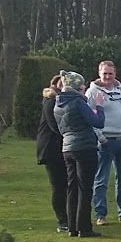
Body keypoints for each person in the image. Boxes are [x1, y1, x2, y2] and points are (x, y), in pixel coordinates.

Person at [53, 71, 105, 237]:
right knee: (85, 188)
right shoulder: (78, 102)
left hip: (67, 148)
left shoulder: (57, 104)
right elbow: (98, 122)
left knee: (72, 188)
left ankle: (72, 227)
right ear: (77, 88)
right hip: (84, 148)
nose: (84, 91)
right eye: (83, 88)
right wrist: (99, 106)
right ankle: (84, 227)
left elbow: (61, 129)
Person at [86, 60, 121, 225]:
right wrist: (101, 138)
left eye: (111, 73)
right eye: (105, 73)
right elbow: (90, 118)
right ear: (99, 74)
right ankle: (100, 215)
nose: (108, 76)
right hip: (105, 142)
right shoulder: (92, 92)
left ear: (115, 74)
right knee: (101, 179)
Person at [36, 75, 69, 233]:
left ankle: (69, 218)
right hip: (51, 149)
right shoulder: (50, 101)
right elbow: (54, 126)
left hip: (62, 147)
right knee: (58, 186)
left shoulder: (62, 101)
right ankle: (62, 221)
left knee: (66, 185)